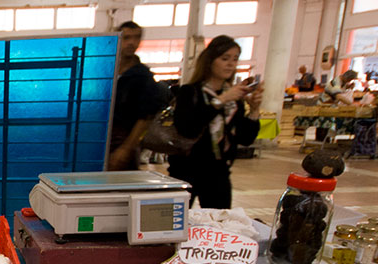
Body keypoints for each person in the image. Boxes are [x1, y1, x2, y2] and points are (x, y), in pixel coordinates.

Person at [166, 35, 262, 209]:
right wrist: (220, 101)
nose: (230, 64)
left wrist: (254, 111)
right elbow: (187, 128)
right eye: (224, 58)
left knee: (219, 224)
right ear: (210, 61)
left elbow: (245, 139)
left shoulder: (235, 99)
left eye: (235, 59)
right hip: (186, 170)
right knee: (175, 223)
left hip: (219, 172)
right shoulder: (190, 92)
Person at [108, 20, 164, 171]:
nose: (131, 43)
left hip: (124, 140)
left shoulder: (142, 77)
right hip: (101, 140)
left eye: (136, 37)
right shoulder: (107, 70)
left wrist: (126, 148)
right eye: (126, 38)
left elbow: (145, 118)